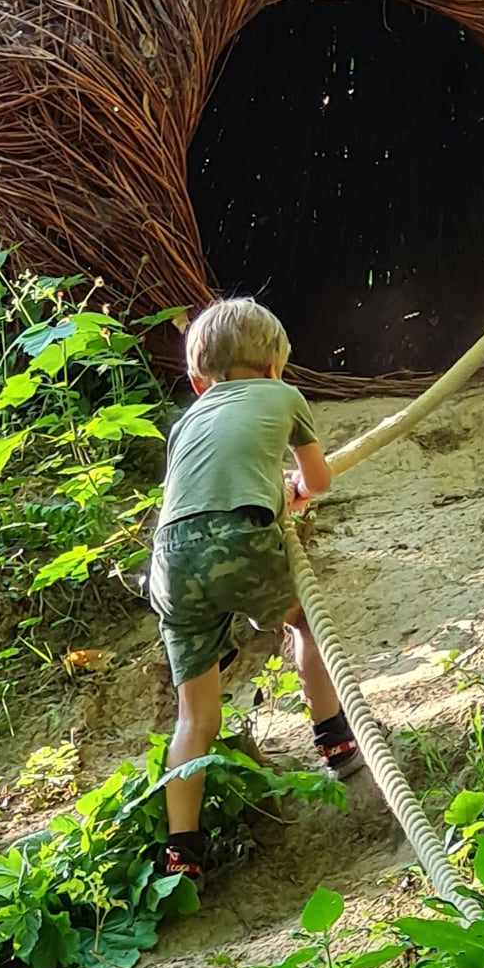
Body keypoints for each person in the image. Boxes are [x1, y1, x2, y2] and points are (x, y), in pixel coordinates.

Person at [148, 296, 363, 883]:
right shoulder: (282, 396)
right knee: (305, 623)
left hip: (169, 560)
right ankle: (334, 741)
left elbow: (208, 480)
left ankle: (181, 852)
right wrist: (292, 487)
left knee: (195, 717)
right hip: (238, 538)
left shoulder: (186, 422)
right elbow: (316, 480)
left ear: (199, 381)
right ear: (274, 367)